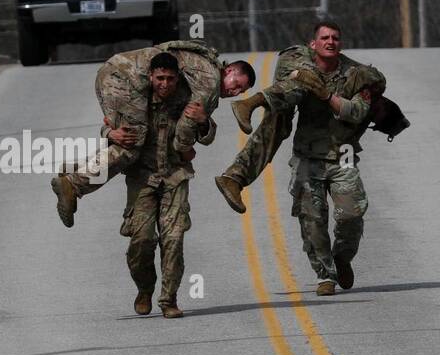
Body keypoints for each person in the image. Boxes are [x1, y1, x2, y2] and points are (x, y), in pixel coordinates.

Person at [218, 21, 394, 296]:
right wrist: (304, 81)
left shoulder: (356, 75)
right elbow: (293, 85)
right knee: (312, 221)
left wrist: (326, 95)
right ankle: (325, 275)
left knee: (351, 215)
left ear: (340, 44)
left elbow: (356, 112)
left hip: (342, 155)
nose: (330, 42)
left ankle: (342, 259)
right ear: (313, 44)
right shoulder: (298, 63)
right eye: (324, 38)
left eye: (335, 38)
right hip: (307, 155)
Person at [50, 41, 253, 227]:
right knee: (131, 144)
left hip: (115, 73)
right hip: (124, 81)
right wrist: (183, 149)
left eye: (241, 91)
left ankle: (75, 172)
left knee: (126, 141)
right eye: (236, 84)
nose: (235, 92)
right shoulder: (211, 81)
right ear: (229, 70)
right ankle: (73, 184)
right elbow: (188, 121)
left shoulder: (205, 68)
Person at [117, 52, 216, 319]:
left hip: (175, 177)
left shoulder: (187, 99)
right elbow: (109, 127)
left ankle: (168, 299)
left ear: (177, 79)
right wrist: (111, 133)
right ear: (150, 77)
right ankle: (145, 288)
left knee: (173, 239)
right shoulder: (136, 100)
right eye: (160, 78)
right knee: (142, 241)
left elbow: (208, 136)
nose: (165, 84)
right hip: (142, 179)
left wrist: (203, 119)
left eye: (170, 79)